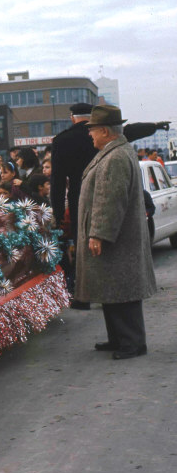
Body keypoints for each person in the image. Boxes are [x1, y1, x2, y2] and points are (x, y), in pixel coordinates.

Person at [76, 105, 156, 360]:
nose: (90, 135)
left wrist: (98, 233)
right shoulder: (115, 152)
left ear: (105, 131)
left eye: (92, 130)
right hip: (119, 239)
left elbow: (110, 200)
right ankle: (119, 338)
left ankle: (132, 343)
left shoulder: (116, 157)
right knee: (112, 289)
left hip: (117, 240)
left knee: (123, 291)